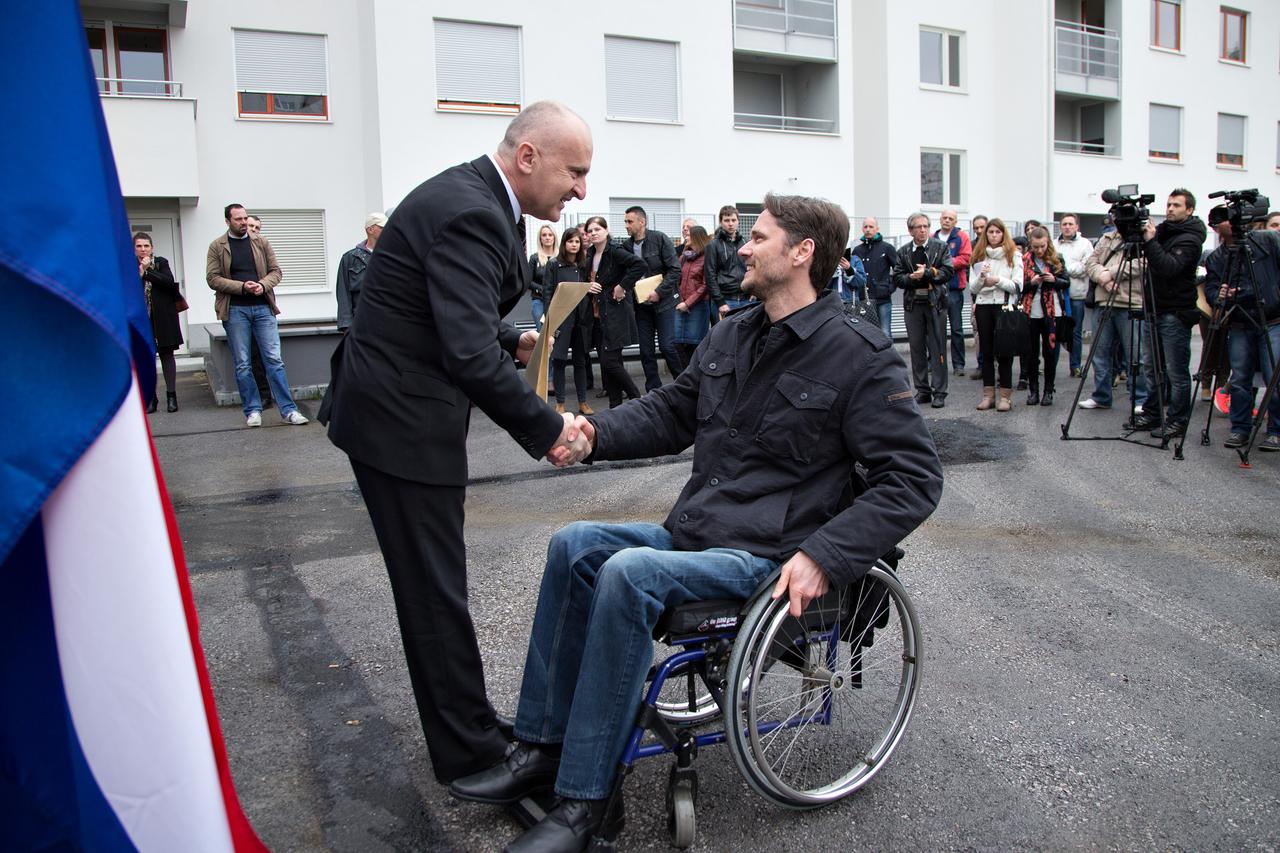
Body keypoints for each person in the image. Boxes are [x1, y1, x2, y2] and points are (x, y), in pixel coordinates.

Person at [448, 192, 943, 852]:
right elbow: (670, 411)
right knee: (575, 544)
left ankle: (588, 802)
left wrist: (827, 555)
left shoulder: (859, 354)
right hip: (702, 532)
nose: (742, 247)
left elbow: (914, 478)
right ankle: (544, 747)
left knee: (630, 573)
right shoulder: (733, 332)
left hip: (771, 553)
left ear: (802, 253)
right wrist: (593, 434)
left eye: (758, 238)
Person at [317, 101, 592, 786]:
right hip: (400, 424)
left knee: (437, 587)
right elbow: (466, 353)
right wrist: (548, 429)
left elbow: (436, 305)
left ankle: (471, 726)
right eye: (575, 172)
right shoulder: (473, 211)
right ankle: (470, 757)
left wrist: (511, 337)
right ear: (527, 156)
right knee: (433, 593)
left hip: (393, 411)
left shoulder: (474, 197)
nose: (582, 190)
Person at [205, 203, 308, 427]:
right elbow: (212, 278)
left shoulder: (261, 242)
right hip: (235, 310)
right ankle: (253, 410)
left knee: (274, 360)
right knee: (243, 364)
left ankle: (289, 410)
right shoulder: (217, 246)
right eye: (238, 219)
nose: (244, 223)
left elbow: (276, 272)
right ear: (227, 221)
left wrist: (262, 285)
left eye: (245, 218)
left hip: (263, 308)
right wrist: (242, 287)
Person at [1130, 189, 1207, 439]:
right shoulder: (1163, 231)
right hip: (1154, 308)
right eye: (1169, 204)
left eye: (1176, 205)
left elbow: (1169, 267)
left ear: (1189, 209)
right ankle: (1152, 413)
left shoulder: (1191, 238)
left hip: (1175, 312)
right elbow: (1136, 252)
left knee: (1176, 371)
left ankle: (1177, 420)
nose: (1170, 208)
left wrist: (1151, 241)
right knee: (1151, 367)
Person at [1202, 215, 1280, 451]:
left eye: (1230, 217)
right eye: (1221, 219)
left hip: (1272, 319)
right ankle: (1240, 429)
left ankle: (1276, 431)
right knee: (1239, 380)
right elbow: (1211, 290)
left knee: (1275, 379)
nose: (1228, 222)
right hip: (1239, 323)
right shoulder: (1216, 257)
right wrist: (1220, 295)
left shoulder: (1267, 241)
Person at [1078, 224, 1149, 412]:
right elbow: (1090, 263)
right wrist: (1103, 278)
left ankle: (1140, 399)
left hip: (1131, 302)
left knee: (1136, 355)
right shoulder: (1107, 238)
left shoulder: (1144, 236)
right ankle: (1101, 396)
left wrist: (1110, 273)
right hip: (1103, 300)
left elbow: (1144, 263)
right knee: (1099, 353)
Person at [893, 212, 954, 408]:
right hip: (913, 304)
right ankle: (923, 390)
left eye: (925, 226)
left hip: (935, 303)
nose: (922, 230)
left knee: (937, 348)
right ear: (910, 230)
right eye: (918, 227)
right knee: (917, 348)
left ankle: (940, 392)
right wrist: (912, 278)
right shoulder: (903, 251)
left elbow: (948, 272)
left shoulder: (941, 247)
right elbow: (897, 278)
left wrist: (927, 273)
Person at [584, 215, 646, 407]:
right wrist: (588, 286)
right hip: (597, 314)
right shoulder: (590, 254)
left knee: (609, 362)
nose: (594, 233)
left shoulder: (615, 251)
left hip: (615, 313)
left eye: (597, 229)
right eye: (590, 231)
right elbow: (589, 280)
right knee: (610, 363)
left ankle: (637, 398)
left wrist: (622, 286)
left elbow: (640, 265)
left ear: (606, 230)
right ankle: (615, 406)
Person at [624, 206, 682, 391]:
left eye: (629, 221)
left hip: (664, 303)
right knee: (646, 351)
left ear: (642, 222)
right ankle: (653, 389)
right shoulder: (626, 246)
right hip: (641, 306)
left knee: (667, 346)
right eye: (625, 222)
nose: (626, 225)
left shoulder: (660, 239)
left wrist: (659, 292)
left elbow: (675, 270)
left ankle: (683, 384)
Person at [970, 218, 1023, 411]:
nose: (994, 235)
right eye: (990, 232)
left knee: (1004, 352)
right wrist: (982, 278)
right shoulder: (978, 255)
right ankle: (988, 395)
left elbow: (1018, 285)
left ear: (1003, 234)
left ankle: (1005, 397)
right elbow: (972, 287)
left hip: (1003, 306)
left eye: (997, 232)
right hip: (983, 305)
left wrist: (997, 280)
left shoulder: (1013, 255)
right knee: (986, 351)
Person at [547, 227, 596, 416]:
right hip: (561, 319)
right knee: (559, 361)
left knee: (580, 362)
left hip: (581, 320)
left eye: (577, 241)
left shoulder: (584, 265)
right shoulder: (554, 265)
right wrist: (550, 322)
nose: (574, 245)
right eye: (570, 241)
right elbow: (548, 293)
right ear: (564, 243)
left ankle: (583, 402)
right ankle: (560, 403)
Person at [1019, 226, 1068, 406]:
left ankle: (1048, 391)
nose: (1039, 250)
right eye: (1036, 247)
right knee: (1031, 352)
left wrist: (1054, 280)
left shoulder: (1056, 259)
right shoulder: (1024, 260)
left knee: (1050, 352)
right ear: (1030, 245)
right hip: (1031, 310)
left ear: (1048, 243)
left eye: (1042, 246)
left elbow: (1066, 282)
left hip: (1052, 311)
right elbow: (1019, 286)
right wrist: (1032, 282)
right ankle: (1033, 391)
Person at [135, 232, 183, 413]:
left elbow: (168, 282)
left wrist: (147, 271)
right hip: (141, 318)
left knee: (167, 355)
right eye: (139, 246)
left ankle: (171, 396)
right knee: (146, 358)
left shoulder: (161, 262)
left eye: (146, 246)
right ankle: (151, 398)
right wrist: (140, 271)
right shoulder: (129, 265)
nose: (143, 249)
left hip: (163, 317)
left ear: (152, 248)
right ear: (134, 249)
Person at [934, 208, 972, 376]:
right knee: (936, 329)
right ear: (940, 219)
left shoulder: (962, 236)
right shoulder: (933, 237)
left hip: (955, 289)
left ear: (955, 221)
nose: (947, 220)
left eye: (950, 218)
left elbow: (966, 258)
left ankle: (958, 365)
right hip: (936, 289)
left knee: (956, 329)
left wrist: (945, 264)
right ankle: (936, 363)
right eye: (944, 217)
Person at [1055, 214, 1093, 377]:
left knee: (1075, 332)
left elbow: (1086, 267)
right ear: (1060, 226)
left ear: (1077, 226)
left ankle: (1075, 366)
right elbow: (1051, 266)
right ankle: (1052, 366)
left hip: (1077, 295)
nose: (1067, 227)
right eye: (1064, 224)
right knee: (1056, 332)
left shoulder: (1085, 244)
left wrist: (1064, 270)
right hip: (1057, 297)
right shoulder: (1053, 244)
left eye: (1071, 224)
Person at [336, 212, 386, 332]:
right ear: (370, 229)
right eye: (382, 227)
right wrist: (346, 327)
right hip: (361, 323)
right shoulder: (350, 258)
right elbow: (343, 293)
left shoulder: (392, 256)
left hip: (388, 322)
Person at [673, 224, 711, 369]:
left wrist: (688, 303)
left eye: (689, 234)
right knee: (677, 342)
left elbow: (705, 285)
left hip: (698, 306)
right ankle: (685, 375)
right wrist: (680, 301)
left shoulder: (707, 257)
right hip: (680, 304)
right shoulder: (684, 257)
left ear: (697, 237)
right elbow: (676, 280)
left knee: (694, 344)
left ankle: (695, 376)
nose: (686, 236)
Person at [852, 216, 898, 337]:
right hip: (864, 298)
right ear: (862, 229)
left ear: (877, 229)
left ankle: (888, 352)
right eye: (865, 227)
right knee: (866, 332)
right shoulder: (857, 250)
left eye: (871, 227)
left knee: (885, 332)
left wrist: (890, 287)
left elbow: (898, 269)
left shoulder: (887, 248)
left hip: (883, 298)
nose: (868, 229)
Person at [704, 205, 748, 318]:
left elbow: (754, 268)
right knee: (725, 330)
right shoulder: (713, 245)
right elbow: (710, 275)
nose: (731, 223)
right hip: (726, 301)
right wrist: (720, 302)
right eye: (727, 220)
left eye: (733, 220)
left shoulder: (746, 243)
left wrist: (754, 293)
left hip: (747, 300)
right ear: (721, 222)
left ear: (738, 221)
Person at [968, 214, 990, 379]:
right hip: (978, 295)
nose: (979, 230)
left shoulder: (999, 246)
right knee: (978, 332)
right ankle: (981, 365)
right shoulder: (972, 246)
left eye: (982, 227)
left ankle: (995, 367)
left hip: (996, 295)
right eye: (976, 228)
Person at [529, 224, 558, 331]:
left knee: (558, 332)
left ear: (554, 237)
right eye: (544, 235)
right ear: (540, 238)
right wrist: (542, 289)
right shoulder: (534, 258)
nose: (547, 237)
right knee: (542, 331)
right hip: (539, 299)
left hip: (558, 300)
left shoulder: (561, 258)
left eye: (550, 235)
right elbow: (528, 281)